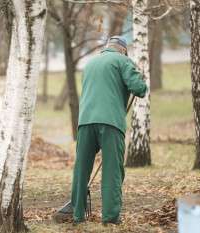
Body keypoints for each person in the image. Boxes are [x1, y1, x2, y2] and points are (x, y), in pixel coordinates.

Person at [55, 36, 148, 225]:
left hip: (85, 122)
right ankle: (110, 217)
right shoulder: (123, 60)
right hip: (111, 123)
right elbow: (139, 89)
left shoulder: (89, 64)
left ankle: (78, 214)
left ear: (107, 47)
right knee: (112, 170)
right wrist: (140, 78)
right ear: (123, 50)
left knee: (81, 169)